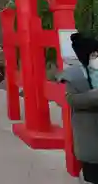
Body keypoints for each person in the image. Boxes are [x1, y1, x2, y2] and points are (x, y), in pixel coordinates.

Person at [59, 32, 98, 184]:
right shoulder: (74, 76)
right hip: (89, 133)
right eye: (94, 55)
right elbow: (72, 100)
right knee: (92, 173)